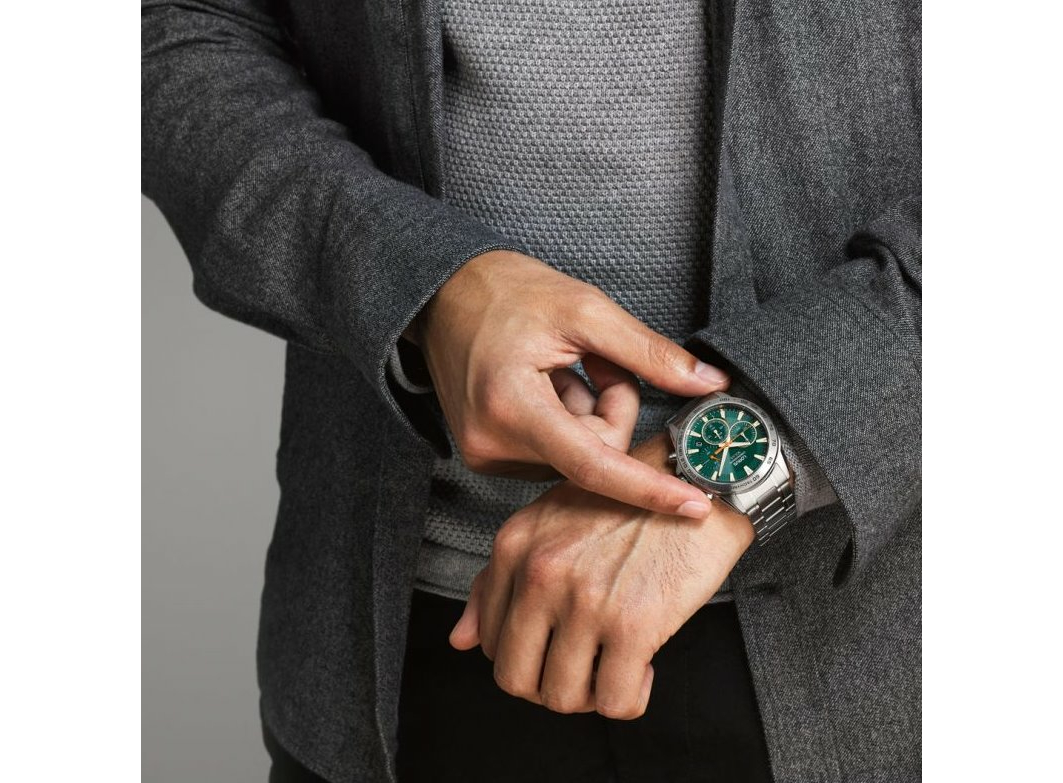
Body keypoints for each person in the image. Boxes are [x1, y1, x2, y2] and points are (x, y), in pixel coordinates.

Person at [142, 0, 921, 780]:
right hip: (389, 648)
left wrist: (756, 448)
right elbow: (176, 30)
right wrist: (421, 283)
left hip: (871, 650)